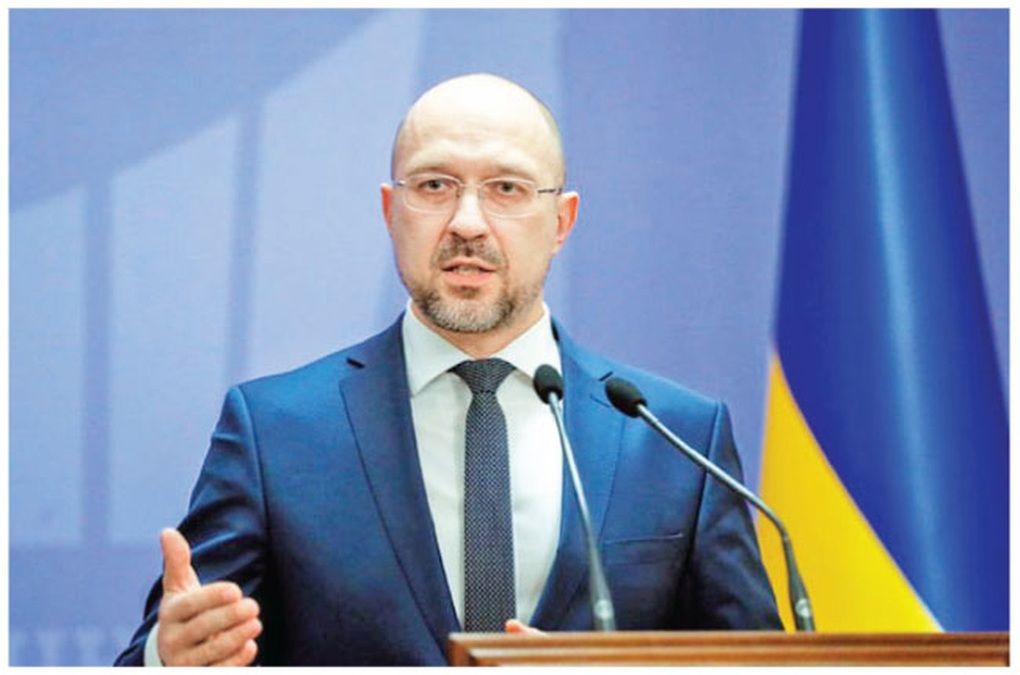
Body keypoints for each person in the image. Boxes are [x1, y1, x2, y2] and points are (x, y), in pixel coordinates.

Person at [115, 73, 782, 667]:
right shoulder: (276, 432)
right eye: (434, 185)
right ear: (390, 211)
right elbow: (175, 642)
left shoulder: (673, 437)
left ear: (561, 221)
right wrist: (169, 659)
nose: (468, 222)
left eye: (506, 188)